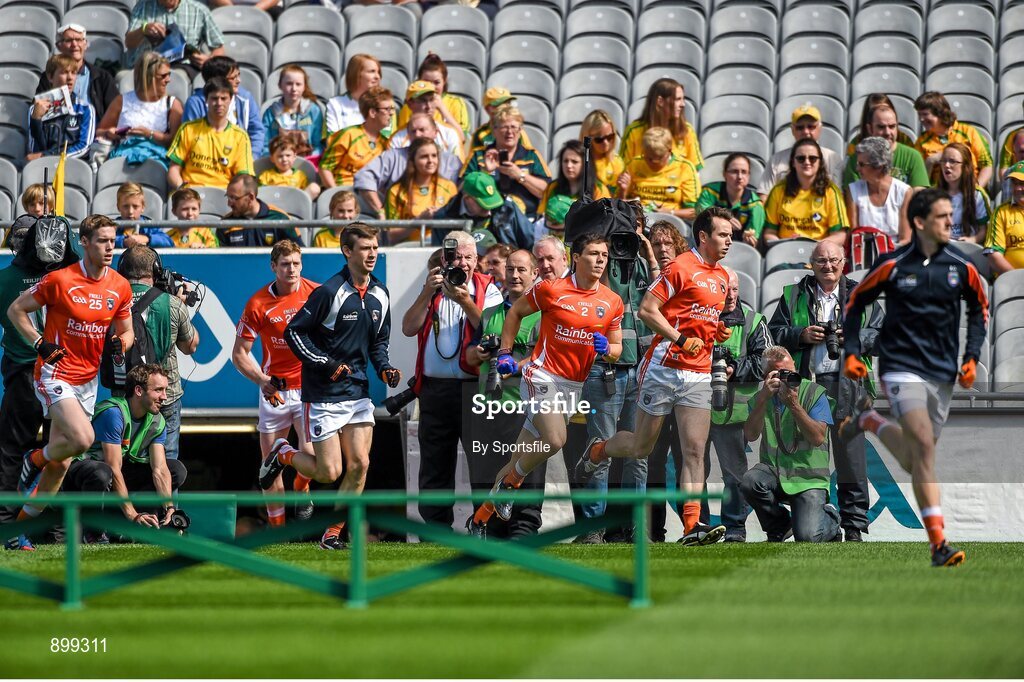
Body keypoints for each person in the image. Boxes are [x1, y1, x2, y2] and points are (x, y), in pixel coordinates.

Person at [840, 188, 989, 566]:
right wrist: (853, 352)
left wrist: (971, 357)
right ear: (920, 223)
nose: (949, 223)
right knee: (922, 445)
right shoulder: (893, 265)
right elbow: (855, 303)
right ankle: (939, 544)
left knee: (916, 457)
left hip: (941, 371)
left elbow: (979, 309)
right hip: (900, 365)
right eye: (942, 217)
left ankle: (870, 421)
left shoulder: (961, 267)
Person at [575, 207, 734, 546]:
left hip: (699, 371)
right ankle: (597, 452)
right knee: (640, 447)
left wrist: (713, 331)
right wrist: (679, 338)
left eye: (731, 235)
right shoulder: (679, 267)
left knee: (694, 450)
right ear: (703, 237)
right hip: (663, 367)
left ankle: (692, 525)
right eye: (722, 234)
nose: (729, 240)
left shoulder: (722, 277)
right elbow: (648, 311)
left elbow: (696, 320)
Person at [466, 233, 624, 537]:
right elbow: (514, 312)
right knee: (555, 441)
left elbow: (616, 349)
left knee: (516, 458)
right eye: (593, 253)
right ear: (575, 258)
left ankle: (479, 519)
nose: (600, 259)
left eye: (604, 254)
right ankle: (512, 483)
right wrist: (504, 353)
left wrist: (608, 349)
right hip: (542, 375)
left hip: (573, 386)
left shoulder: (612, 301)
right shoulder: (552, 290)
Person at [269, 224, 400, 549]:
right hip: (324, 395)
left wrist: (384, 368)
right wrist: (326, 364)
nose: (372, 254)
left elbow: (379, 341)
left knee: (360, 465)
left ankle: (332, 533)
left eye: (374, 248)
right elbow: (295, 333)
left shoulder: (380, 293)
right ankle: (283, 453)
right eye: (365, 248)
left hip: (357, 393)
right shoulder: (329, 291)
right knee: (328, 472)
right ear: (347, 252)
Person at [8, 215, 134, 523]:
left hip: (88, 381)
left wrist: (121, 344)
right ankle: (34, 457)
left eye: (112, 241)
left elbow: (127, 331)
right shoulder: (60, 279)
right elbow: (16, 310)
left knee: (61, 465)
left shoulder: (119, 285)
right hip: (55, 373)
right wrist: (39, 343)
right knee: (82, 439)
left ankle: (17, 530)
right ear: (84, 242)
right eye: (102, 241)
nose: (109, 248)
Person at [768, 240, 882, 541]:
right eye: (821, 261)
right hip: (807, 386)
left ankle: (854, 527)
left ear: (844, 262)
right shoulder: (792, 295)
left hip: (849, 385)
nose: (827, 266)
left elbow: (884, 335)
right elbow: (773, 335)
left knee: (852, 460)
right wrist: (800, 335)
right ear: (811, 265)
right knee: (809, 458)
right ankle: (819, 519)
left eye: (833, 260)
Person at [401, 230, 502, 528]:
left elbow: (491, 329)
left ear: (476, 260)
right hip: (434, 390)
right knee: (434, 465)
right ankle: (435, 531)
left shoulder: (488, 287)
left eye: (468, 257)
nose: (462, 262)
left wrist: (465, 301)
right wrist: (425, 293)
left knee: (482, 463)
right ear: (445, 258)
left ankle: (483, 526)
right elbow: (408, 328)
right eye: (455, 255)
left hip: (475, 389)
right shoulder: (430, 288)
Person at [574, 211, 658, 543]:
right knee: (601, 450)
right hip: (604, 370)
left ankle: (636, 527)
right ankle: (594, 527)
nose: (628, 239)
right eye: (621, 232)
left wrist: (649, 255)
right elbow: (592, 292)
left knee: (640, 452)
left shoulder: (641, 264)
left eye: (634, 230)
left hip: (642, 370)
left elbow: (666, 297)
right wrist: (607, 249)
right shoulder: (599, 261)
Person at [233, 240, 317, 527]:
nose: (291, 269)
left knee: (313, 458)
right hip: (276, 391)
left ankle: (302, 487)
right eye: (285, 264)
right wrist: (262, 380)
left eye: (295, 263)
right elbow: (239, 354)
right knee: (268, 469)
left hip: (309, 389)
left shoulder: (317, 294)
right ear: (273, 267)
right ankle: (277, 530)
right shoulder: (259, 302)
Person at [465, 249, 544, 537]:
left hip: (528, 405)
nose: (514, 275)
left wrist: (515, 365)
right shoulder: (489, 313)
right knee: (486, 469)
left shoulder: (541, 313)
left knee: (526, 470)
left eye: (522, 269)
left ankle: (523, 530)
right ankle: (485, 525)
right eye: (510, 269)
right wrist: (483, 351)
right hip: (490, 405)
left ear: (534, 273)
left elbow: (544, 355)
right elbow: (470, 357)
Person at [0, 219, 64, 532]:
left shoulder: (5, 279)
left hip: (24, 371)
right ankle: (55, 527)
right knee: (60, 452)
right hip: (57, 372)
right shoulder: (62, 276)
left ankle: (7, 523)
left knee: (12, 451)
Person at [740, 346, 842, 543]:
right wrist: (763, 398)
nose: (788, 378)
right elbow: (751, 435)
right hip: (775, 471)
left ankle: (830, 519)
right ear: (766, 375)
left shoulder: (814, 393)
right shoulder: (762, 397)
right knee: (750, 481)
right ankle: (780, 526)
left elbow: (818, 438)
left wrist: (794, 405)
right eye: (780, 374)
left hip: (808, 478)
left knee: (808, 538)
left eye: (791, 372)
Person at [67, 364, 187, 529]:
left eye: (166, 390)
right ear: (138, 391)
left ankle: (147, 525)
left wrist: (170, 508)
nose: (164, 397)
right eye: (158, 390)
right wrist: (132, 515)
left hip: (114, 472)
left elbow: (160, 469)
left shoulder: (158, 421)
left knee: (176, 469)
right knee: (102, 473)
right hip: (81, 473)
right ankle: (94, 530)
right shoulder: (114, 414)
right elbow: (113, 468)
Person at [701, 266, 771, 542]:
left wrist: (733, 369)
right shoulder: (699, 318)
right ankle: (699, 525)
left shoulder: (754, 320)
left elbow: (766, 361)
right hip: (697, 406)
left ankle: (735, 529)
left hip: (736, 412)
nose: (730, 295)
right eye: (723, 288)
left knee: (734, 475)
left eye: (734, 289)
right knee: (695, 470)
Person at [116, 246, 199, 462]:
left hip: (124, 394)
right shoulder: (171, 303)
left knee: (121, 459)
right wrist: (181, 306)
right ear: (155, 270)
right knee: (167, 461)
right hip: (165, 394)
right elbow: (190, 346)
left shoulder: (112, 300)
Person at [641, 219, 691, 540]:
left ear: (678, 246)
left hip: (687, 378)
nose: (661, 250)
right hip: (657, 377)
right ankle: (655, 531)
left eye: (666, 244)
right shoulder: (647, 281)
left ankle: (691, 525)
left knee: (689, 457)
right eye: (655, 245)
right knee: (654, 460)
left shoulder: (688, 276)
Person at [356, 113, 463, 220]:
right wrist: (380, 211)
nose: (417, 134)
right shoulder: (393, 157)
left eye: (422, 130)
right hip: (400, 224)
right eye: (413, 131)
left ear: (435, 132)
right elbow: (364, 177)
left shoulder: (452, 161)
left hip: (442, 225)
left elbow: (463, 188)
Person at [97, 51, 183, 168]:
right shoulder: (121, 100)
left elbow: (175, 142)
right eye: (163, 76)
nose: (168, 80)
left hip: (156, 160)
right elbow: (100, 131)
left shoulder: (172, 104)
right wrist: (110, 133)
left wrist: (149, 134)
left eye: (169, 74)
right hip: (123, 157)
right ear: (148, 77)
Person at [462, 106, 551, 218]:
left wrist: (520, 175)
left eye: (514, 127)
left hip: (527, 219)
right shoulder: (478, 155)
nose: (510, 132)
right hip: (487, 220)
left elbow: (546, 191)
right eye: (504, 127)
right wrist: (486, 172)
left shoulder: (531, 155)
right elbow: (463, 189)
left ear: (520, 131)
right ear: (494, 130)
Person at [167, 77, 254, 191]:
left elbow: (244, 177)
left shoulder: (240, 137)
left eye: (223, 98)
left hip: (223, 196)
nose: (219, 103)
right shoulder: (188, 129)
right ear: (206, 100)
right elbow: (173, 170)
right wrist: (182, 189)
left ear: (231, 100)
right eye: (214, 98)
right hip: (190, 193)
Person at [764, 139, 849, 245]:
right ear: (793, 162)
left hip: (819, 254)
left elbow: (840, 235)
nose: (807, 162)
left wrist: (815, 246)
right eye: (801, 158)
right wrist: (783, 245)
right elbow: (769, 232)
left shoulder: (831, 192)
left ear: (820, 162)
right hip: (786, 253)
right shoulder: (778, 191)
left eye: (813, 158)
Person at [34, 23, 118, 122]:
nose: (74, 44)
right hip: (60, 132)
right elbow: (38, 111)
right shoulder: (50, 76)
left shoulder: (102, 77)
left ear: (85, 45)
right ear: (59, 46)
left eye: (79, 40)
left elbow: (115, 113)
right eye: (69, 40)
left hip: (95, 134)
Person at [181, 57, 265, 155]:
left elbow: (257, 131)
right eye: (233, 78)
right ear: (218, 81)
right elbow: (192, 137)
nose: (239, 81)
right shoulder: (195, 103)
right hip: (207, 160)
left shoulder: (245, 98)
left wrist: (251, 158)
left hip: (241, 159)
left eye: (238, 75)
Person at [757, 105, 842, 198]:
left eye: (811, 126)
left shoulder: (833, 158)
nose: (805, 131)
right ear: (792, 130)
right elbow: (764, 196)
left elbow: (839, 196)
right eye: (800, 127)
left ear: (820, 128)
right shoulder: (776, 161)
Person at [385, 138, 458, 244]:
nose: (430, 161)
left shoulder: (449, 187)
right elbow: (390, 236)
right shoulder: (396, 191)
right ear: (412, 160)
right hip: (408, 249)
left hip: (442, 247)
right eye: (424, 157)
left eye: (434, 155)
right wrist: (419, 221)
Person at [124, 0, 226, 76]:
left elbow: (219, 47)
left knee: (176, 77)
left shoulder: (199, 10)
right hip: (147, 65)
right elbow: (129, 43)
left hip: (183, 67)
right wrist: (143, 29)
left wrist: (209, 61)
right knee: (125, 77)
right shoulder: (142, 7)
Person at [620, 77, 703, 170]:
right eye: (677, 99)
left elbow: (696, 170)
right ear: (660, 101)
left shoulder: (687, 130)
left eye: (683, 99)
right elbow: (622, 171)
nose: (683, 104)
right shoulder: (633, 131)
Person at [845, 136, 913, 249]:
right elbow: (854, 235)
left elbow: (905, 239)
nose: (857, 169)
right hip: (864, 254)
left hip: (894, 254)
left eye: (862, 164)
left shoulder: (904, 191)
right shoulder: (853, 190)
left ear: (879, 166)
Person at [914, 92, 993, 188]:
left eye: (925, 114)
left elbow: (987, 165)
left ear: (940, 113)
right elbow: (918, 179)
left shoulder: (968, 132)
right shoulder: (922, 141)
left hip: (969, 189)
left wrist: (976, 191)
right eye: (919, 115)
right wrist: (930, 161)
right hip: (938, 194)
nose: (921, 119)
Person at [319, 86, 394, 189]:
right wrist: (335, 192)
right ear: (372, 112)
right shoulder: (349, 135)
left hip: (370, 194)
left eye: (392, 109)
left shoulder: (386, 144)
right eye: (387, 109)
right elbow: (325, 168)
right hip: (344, 190)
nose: (392, 113)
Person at [843, 102, 930, 189]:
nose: (887, 132)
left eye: (892, 126)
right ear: (870, 128)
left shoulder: (913, 156)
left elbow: (919, 194)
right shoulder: (857, 159)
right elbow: (851, 195)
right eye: (881, 127)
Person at [27, 54, 96, 161]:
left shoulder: (85, 108)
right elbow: (35, 149)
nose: (70, 78)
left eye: (73, 73)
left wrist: (50, 156)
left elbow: (84, 146)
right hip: (43, 167)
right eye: (64, 72)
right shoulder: (35, 109)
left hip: (74, 166)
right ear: (50, 77)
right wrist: (36, 120)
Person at [625, 127, 702, 221]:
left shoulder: (685, 167)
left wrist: (670, 212)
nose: (653, 163)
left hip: (672, 221)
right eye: (649, 158)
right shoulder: (634, 164)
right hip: (638, 220)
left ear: (669, 151)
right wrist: (622, 190)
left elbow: (696, 211)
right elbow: (619, 202)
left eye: (658, 159)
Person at [396, 53, 471, 140]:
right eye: (427, 82)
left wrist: (442, 108)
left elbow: (462, 138)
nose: (432, 87)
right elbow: (402, 138)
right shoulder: (409, 106)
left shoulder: (456, 103)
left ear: (444, 81)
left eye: (436, 82)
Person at [696, 153, 765, 247]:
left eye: (744, 172)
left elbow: (753, 236)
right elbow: (701, 215)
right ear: (725, 174)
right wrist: (722, 218)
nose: (740, 177)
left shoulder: (756, 205)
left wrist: (749, 241)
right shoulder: (709, 192)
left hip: (739, 251)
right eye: (734, 171)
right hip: (709, 246)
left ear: (749, 176)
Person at [538, 139, 610, 230]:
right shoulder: (552, 187)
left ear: (585, 164)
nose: (569, 165)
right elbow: (542, 218)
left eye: (574, 161)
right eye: (565, 161)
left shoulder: (599, 189)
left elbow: (604, 222)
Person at [218, 173, 303, 247]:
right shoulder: (225, 225)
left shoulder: (280, 218)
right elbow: (219, 261)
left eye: (234, 198)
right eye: (228, 197)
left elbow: (300, 254)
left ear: (251, 197)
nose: (229, 204)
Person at [261, 64, 325, 159]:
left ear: (304, 87)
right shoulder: (271, 113)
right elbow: (265, 145)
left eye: (298, 84)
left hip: (307, 162)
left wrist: (310, 159)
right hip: (279, 162)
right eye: (289, 84)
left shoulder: (314, 111)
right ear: (280, 85)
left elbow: (318, 144)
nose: (294, 89)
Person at [389, 81, 464, 158]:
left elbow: (457, 166)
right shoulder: (397, 138)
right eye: (422, 101)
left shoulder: (449, 133)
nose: (428, 106)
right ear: (410, 104)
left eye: (431, 100)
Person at [934, 143, 990, 244]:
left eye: (952, 161)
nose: (946, 165)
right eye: (944, 161)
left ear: (965, 166)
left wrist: (973, 239)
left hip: (968, 249)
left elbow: (984, 229)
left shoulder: (977, 195)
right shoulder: (934, 194)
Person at [325, 54, 384, 136]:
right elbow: (331, 141)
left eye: (378, 72)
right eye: (372, 71)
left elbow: (385, 142)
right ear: (356, 74)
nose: (377, 76)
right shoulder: (335, 104)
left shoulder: (385, 104)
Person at [985, 161, 1024, 274]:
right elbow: (994, 255)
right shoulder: (1001, 212)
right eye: (1014, 183)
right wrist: (1016, 279)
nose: (1018, 188)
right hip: (1011, 285)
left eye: (1022, 183)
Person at [580, 110, 628, 198]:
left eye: (610, 137)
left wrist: (623, 191)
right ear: (587, 137)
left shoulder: (618, 163)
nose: (605, 143)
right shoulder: (579, 162)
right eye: (599, 139)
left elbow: (619, 204)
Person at [258, 136, 321, 200]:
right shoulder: (266, 175)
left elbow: (303, 195)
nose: (284, 159)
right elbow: (262, 194)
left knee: (314, 187)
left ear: (294, 157)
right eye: (280, 156)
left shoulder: (300, 176)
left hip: (294, 205)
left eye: (288, 155)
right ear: (272, 159)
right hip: (273, 204)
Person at [114, 182, 174, 249]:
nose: (130, 211)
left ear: (143, 207)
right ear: (118, 207)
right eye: (125, 206)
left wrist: (147, 239)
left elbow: (169, 242)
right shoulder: (112, 227)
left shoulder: (149, 226)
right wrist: (123, 241)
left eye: (135, 207)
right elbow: (101, 240)